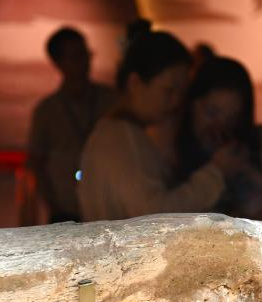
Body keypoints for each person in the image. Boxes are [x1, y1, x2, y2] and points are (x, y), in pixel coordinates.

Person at [78, 23, 244, 222]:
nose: (176, 102)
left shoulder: (122, 133)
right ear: (135, 83)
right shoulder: (120, 137)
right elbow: (154, 215)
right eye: (168, 91)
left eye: (181, 93)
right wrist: (216, 173)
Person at [176, 57, 262, 222]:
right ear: (192, 104)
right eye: (211, 113)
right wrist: (217, 170)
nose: (219, 127)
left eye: (231, 118)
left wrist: (249, 170)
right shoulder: (170, 146)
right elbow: (165, 214)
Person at [27, 27, 118, 223]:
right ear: (58, 63)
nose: (84, 62)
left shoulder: (111, 100)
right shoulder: (47, 111)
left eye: (85, 54)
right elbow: (36, 162)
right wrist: (53, 203)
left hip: (106, 208)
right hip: (65, 211)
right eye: (76, 56)